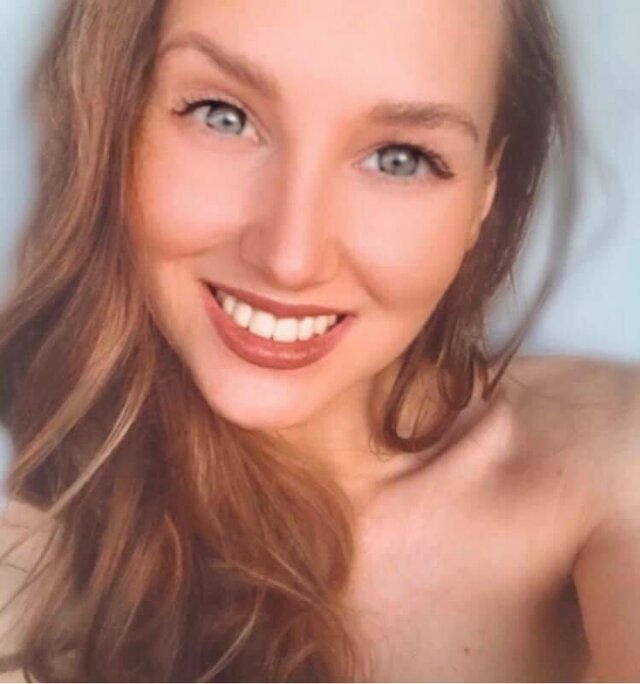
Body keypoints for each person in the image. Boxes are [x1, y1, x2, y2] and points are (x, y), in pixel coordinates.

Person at [0, 0, 638, 681]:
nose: (290, 259)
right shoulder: (28, 552)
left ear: (485, 193)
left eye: (400, 158)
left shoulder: (604, 466)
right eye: (223, 116)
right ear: (113, 116)